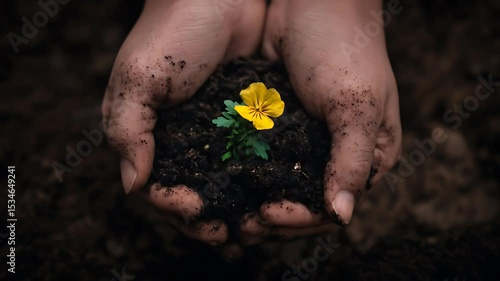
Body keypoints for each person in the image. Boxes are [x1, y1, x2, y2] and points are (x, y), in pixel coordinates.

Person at [101, 0, 401, 255]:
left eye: (261, 110)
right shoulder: (248, 112)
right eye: (255, 108)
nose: (258, 110)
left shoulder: (262, 115)